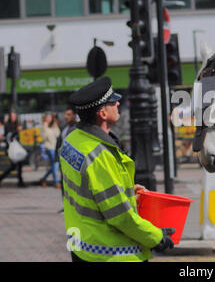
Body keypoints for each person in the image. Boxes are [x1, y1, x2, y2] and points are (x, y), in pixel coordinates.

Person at [61, 76, 175, 262]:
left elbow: (89, 189)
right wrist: (156, 237)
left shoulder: (72, 140)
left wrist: (127, 191)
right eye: (113, 101)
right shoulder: (100, 156)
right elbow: (121, 217)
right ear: (103, 114)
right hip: (108, 252)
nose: (118, 103)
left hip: (81, 245)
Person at [55, 106, 78, 212]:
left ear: (74, 115)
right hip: (63, 162)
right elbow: (59, 144)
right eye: (65, 114)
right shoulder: (64, 128)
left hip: (72, 162)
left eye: (68, 115)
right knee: (64, 184)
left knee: (73, 185)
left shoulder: (77, 128)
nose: (66, 117)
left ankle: (73, 206)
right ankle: (66, 206)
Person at [0, 109, 26, 188]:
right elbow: (9, 136)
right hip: (11, 148)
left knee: (19, 165)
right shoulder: (7, 125)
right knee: (14, 166)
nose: (13, 117)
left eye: (15, 116)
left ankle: (20, 182)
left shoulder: (16, 124)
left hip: (17, 148)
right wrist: (16, 131)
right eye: (12, 116)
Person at [39, 113, 61, 188]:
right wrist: (45, 127)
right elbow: (44, 137)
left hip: (55, 148)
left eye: (50, 117)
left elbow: (58, 134)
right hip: (49, 148)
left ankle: (43, 179)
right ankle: (56, 182)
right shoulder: (44, 126)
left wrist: (55, 125)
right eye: (47, 117)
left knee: (54, 166)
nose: (49, 119)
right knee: (55, 164)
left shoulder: (52, 127)